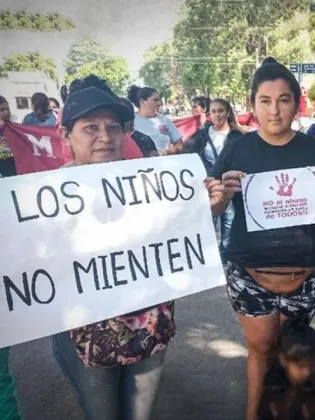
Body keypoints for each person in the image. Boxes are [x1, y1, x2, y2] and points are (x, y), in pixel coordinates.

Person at [51, 77, 226, 420]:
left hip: (148, 333)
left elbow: (180, 228)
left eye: (113, 127)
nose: (105, 136)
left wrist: (210, 205)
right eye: (91, 127)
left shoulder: (148, 182)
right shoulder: (46, 199)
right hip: (87, 339)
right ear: (65, 135)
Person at [211, 56, 315, 420]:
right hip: (249, 273)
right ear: (252, 104)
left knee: (292, 354)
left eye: (284, 100)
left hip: (306, 275)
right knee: (261, 349)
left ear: (296, 103)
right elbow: (210, 207)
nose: (275, 111)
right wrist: (220, 197)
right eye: (265, 101)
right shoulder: (236, 149)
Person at [186, 98, 242, 262]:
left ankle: (225, 255)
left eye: (221, 111)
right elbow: (191, 155)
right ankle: (207, 256)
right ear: (209, 114)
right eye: (213, 111)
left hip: (229, 184)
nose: (217, 115)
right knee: (209, 218)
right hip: (208, 184)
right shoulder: (202, 134)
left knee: (229, 220)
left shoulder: (237, 135)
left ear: (227, 112)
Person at [257, 317, 315, 420]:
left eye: (312, 365)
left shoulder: (311, 391)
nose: (307, 372)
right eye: (301, 366)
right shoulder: (273, 392)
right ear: (283, 359)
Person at [127, 85, 183, 155]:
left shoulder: (164, 120)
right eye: (155, 100)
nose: (159, 103)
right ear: (142, 102)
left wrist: (169, 151)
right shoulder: (130, 122)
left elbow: (179, 144)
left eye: (159, 100)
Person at [0, 96, 16, 178]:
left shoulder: (15, 128)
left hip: (15, 171)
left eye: (7, 109)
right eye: (2, 110)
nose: (6, 112)